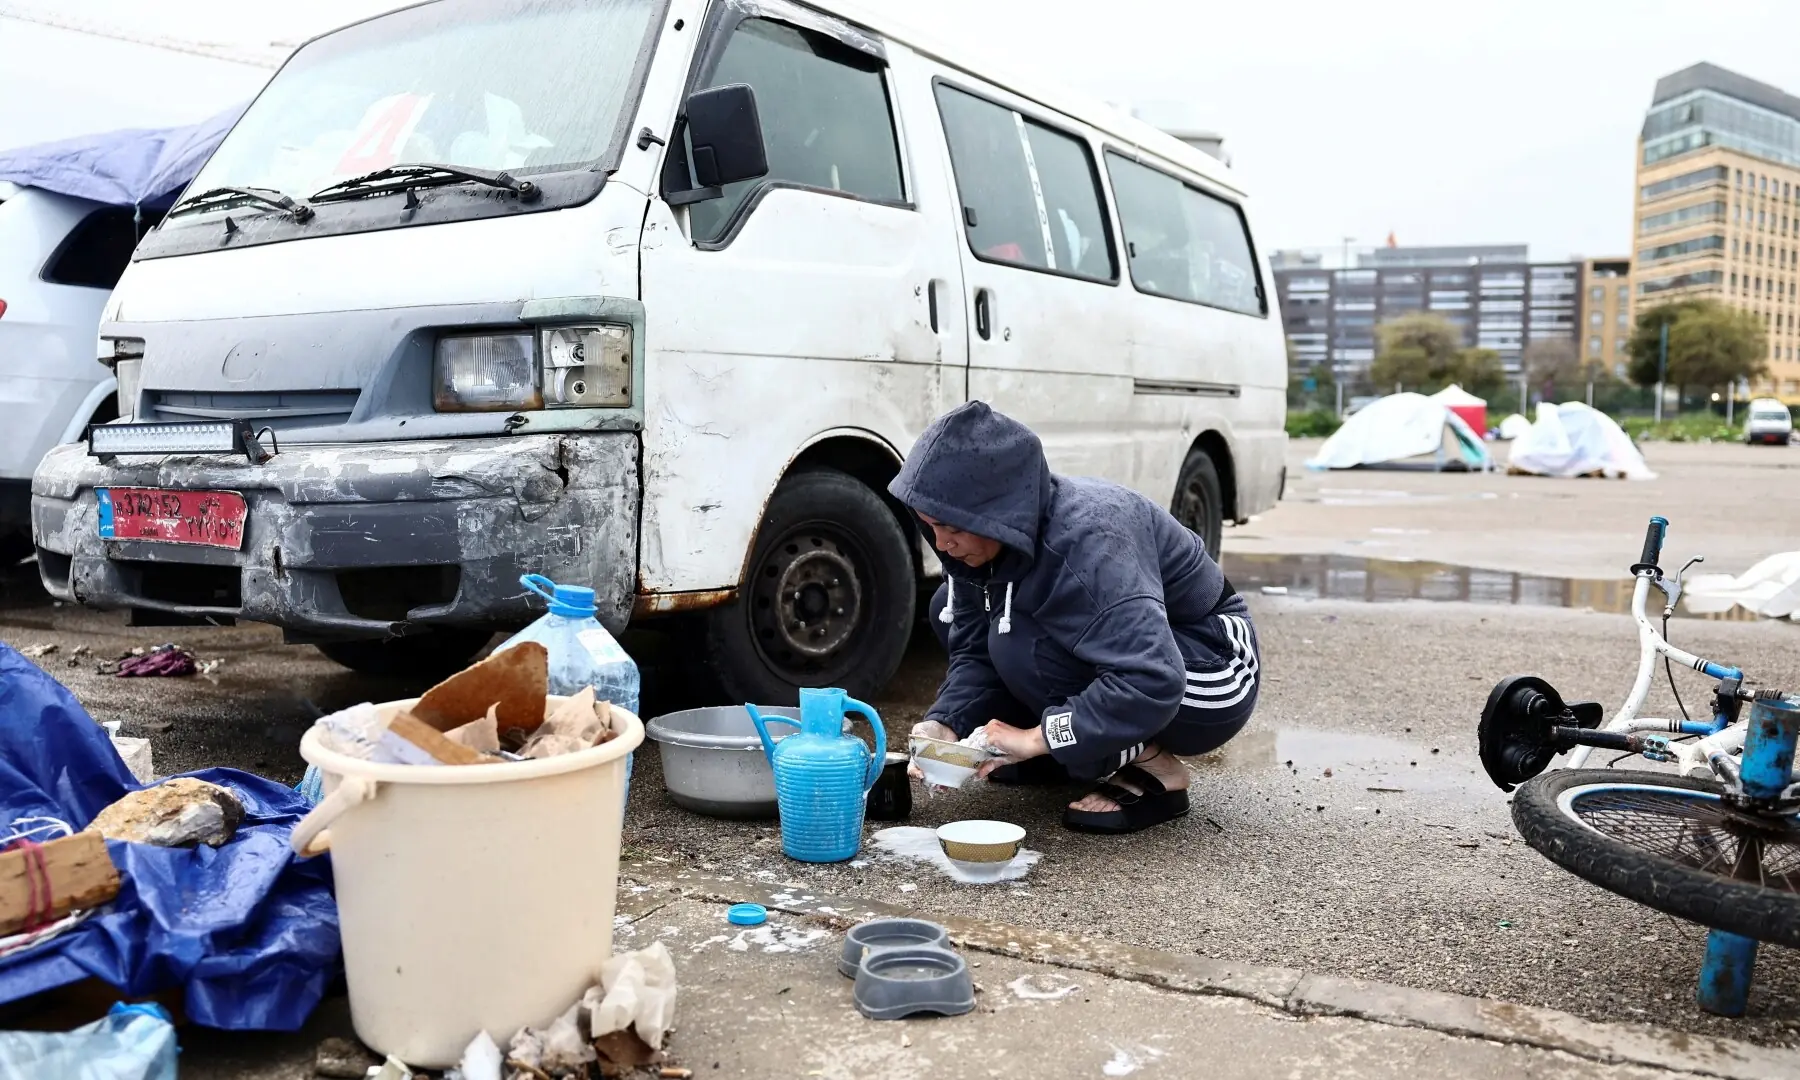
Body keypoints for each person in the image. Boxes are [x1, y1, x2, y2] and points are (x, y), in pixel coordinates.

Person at [890, 401, 1260, 834]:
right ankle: (1069, 754)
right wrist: (945, 724)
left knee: (1023, 645)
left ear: (996, 511)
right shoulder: (980, 549)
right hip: (1152, 663)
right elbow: (975, 652)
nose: (942, 543)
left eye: (952, 528)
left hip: (1213, 666)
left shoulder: (1089, 545)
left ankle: (1157, 770)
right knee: (950, 613)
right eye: (929, 525)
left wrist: (1033, 740)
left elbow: (1153, 679)